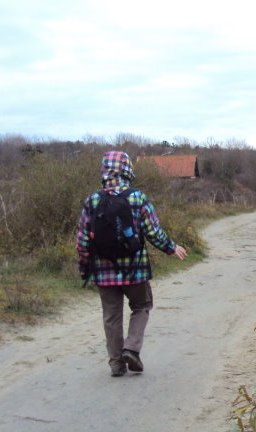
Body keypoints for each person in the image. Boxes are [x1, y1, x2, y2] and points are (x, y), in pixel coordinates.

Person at [76, 151, 188, 377]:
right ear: (127, 169)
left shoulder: (92, 200)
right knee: (141, 306)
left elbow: (83, 241)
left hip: (103, 271)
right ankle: (132, 349)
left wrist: (85, 267)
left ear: (104, 170)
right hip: (135, 270)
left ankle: (116, 364)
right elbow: (152, 231)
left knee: (111, 316)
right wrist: (170, 247)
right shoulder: (137, 197)